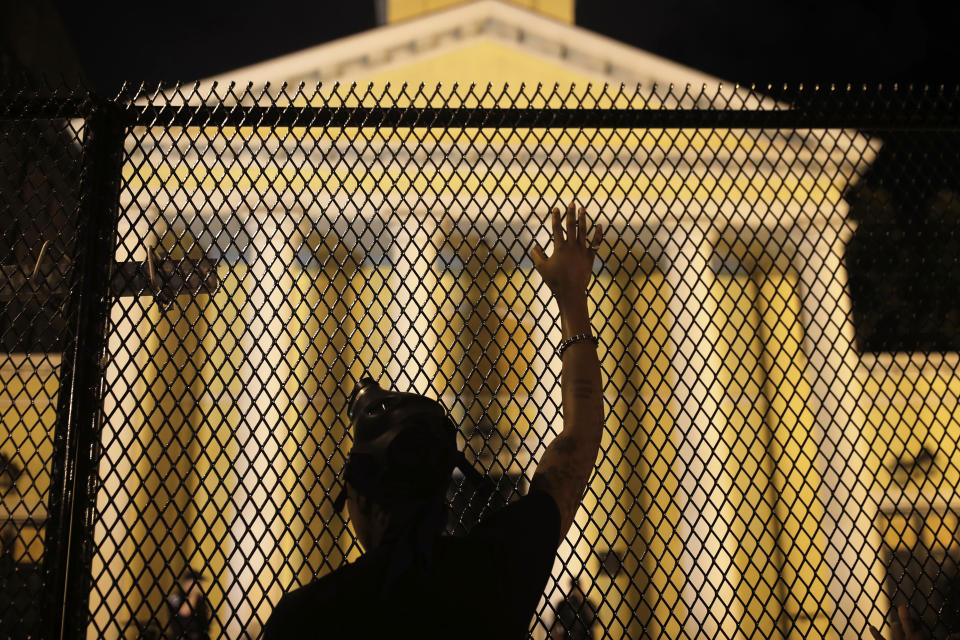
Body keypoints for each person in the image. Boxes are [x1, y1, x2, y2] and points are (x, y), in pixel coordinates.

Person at [263, 203, 604, 639]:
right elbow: (578, 442)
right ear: (443, 488)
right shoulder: (491, 577)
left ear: (359, 499)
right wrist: (572, 297)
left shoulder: (308, 617)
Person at [166, 568, 210, 640]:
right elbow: (183, 613)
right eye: (196, 583)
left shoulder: (200, 599)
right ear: (186, 582)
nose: (199, 586)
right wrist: (193, 595)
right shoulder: (175, 597)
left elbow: (206, 615)